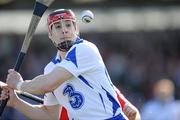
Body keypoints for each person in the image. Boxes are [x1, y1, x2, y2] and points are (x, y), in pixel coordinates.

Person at [1, 9, 140, 120]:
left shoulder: (85, 49)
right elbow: (50, 115)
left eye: (68, 25)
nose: (64, 30)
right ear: (50, 34)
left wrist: (20, 85)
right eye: (57, 26)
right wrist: (16, 103)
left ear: (76, 29)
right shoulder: (49, 69)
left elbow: (47, 84)